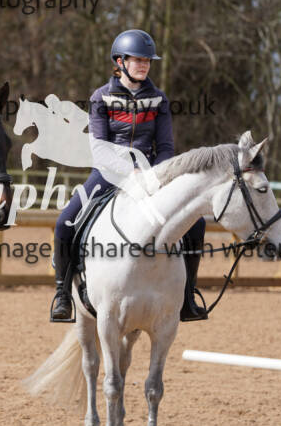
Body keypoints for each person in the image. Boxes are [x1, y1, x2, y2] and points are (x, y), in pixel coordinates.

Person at [50, 29, 207, 322]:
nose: (144, 65)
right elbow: (100, 149)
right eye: (138, 59)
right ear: (120, 61)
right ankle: (62, 294)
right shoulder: (100, 98)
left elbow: (166, 147)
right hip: (108, 174)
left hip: (150, 175)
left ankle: (188, 295)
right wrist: (129, 171)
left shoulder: (159, 99)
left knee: (196, 223)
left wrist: (154, 174)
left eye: (147, 60)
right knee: (64, 222)